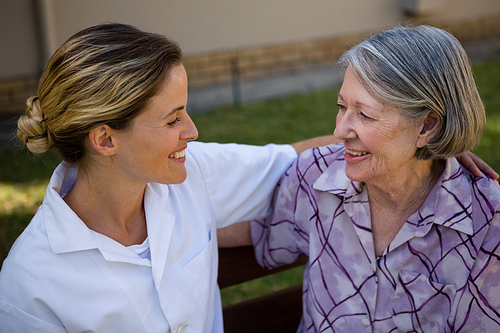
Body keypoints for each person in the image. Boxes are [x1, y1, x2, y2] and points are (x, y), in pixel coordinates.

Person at [0, 23, 338, 333]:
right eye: (172, 119)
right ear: (105, 139)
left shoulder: (192, 173)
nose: (192, 131)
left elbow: (295, 161)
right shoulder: (30, 282)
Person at [251, 25, 500, 332]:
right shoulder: (316, 177)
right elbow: (221, 225)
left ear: (427, 126)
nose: (340, 131)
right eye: (342, 107)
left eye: (365, 115)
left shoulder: (487, 219)